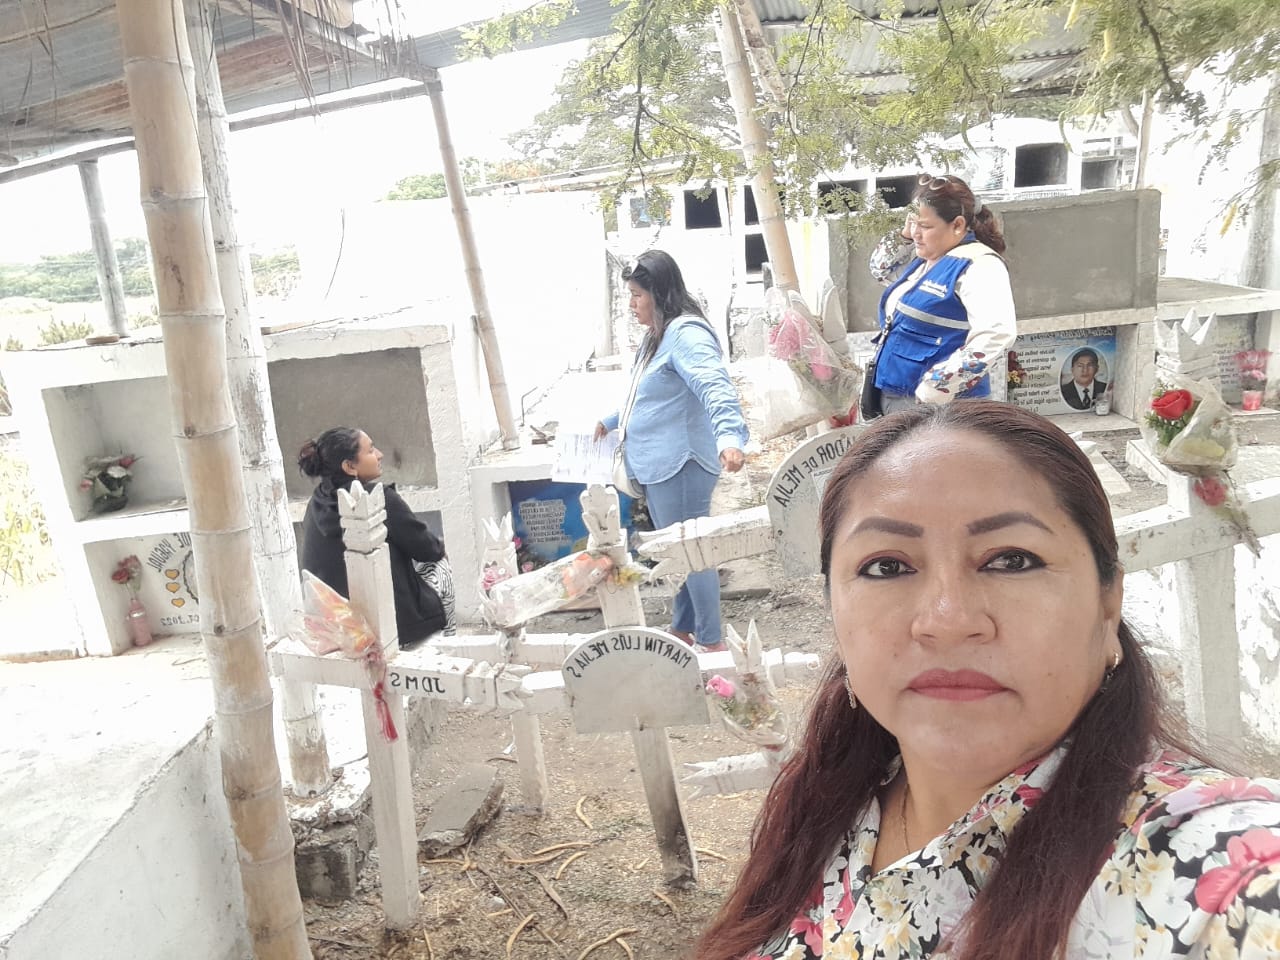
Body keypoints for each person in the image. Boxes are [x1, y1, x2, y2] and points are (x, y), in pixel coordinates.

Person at [696, 401, 1280, 960]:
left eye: (1011, 560)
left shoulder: (1209, 865)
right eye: (887, 566)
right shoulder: (825, 804)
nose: (947, 621)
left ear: (1109, 604)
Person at [594, 250, 748, 653]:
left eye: (637, 296)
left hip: (681, 464)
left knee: (693, 553)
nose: (631, 305)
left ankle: (711, 642)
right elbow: (649, 395)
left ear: (659, 295)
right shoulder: (657, 336)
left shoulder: (686, 335)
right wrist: (612, 420)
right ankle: (683, 630)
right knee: (678, 553)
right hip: (660, 464)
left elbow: (715, 385)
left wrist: (730, 437)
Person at [868, 174, 1016, 417]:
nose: (916, 233)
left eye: (925, 226)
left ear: (957, 225)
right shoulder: (927, 259)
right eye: (912, 222)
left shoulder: (979, 265)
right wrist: (906, 234)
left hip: (940, 409)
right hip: (895, 396)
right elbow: (880, 269)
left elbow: (997, 334)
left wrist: (937, 386)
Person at [298, 427, 455, 647]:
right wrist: (439, 547)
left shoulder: (317, 502)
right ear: (349, 466)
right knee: (442, 567)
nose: (379, 455)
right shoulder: (377, 499)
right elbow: (429, 550)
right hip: (394, 627)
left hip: (339, 625)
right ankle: (445, 642)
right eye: (371, 450)